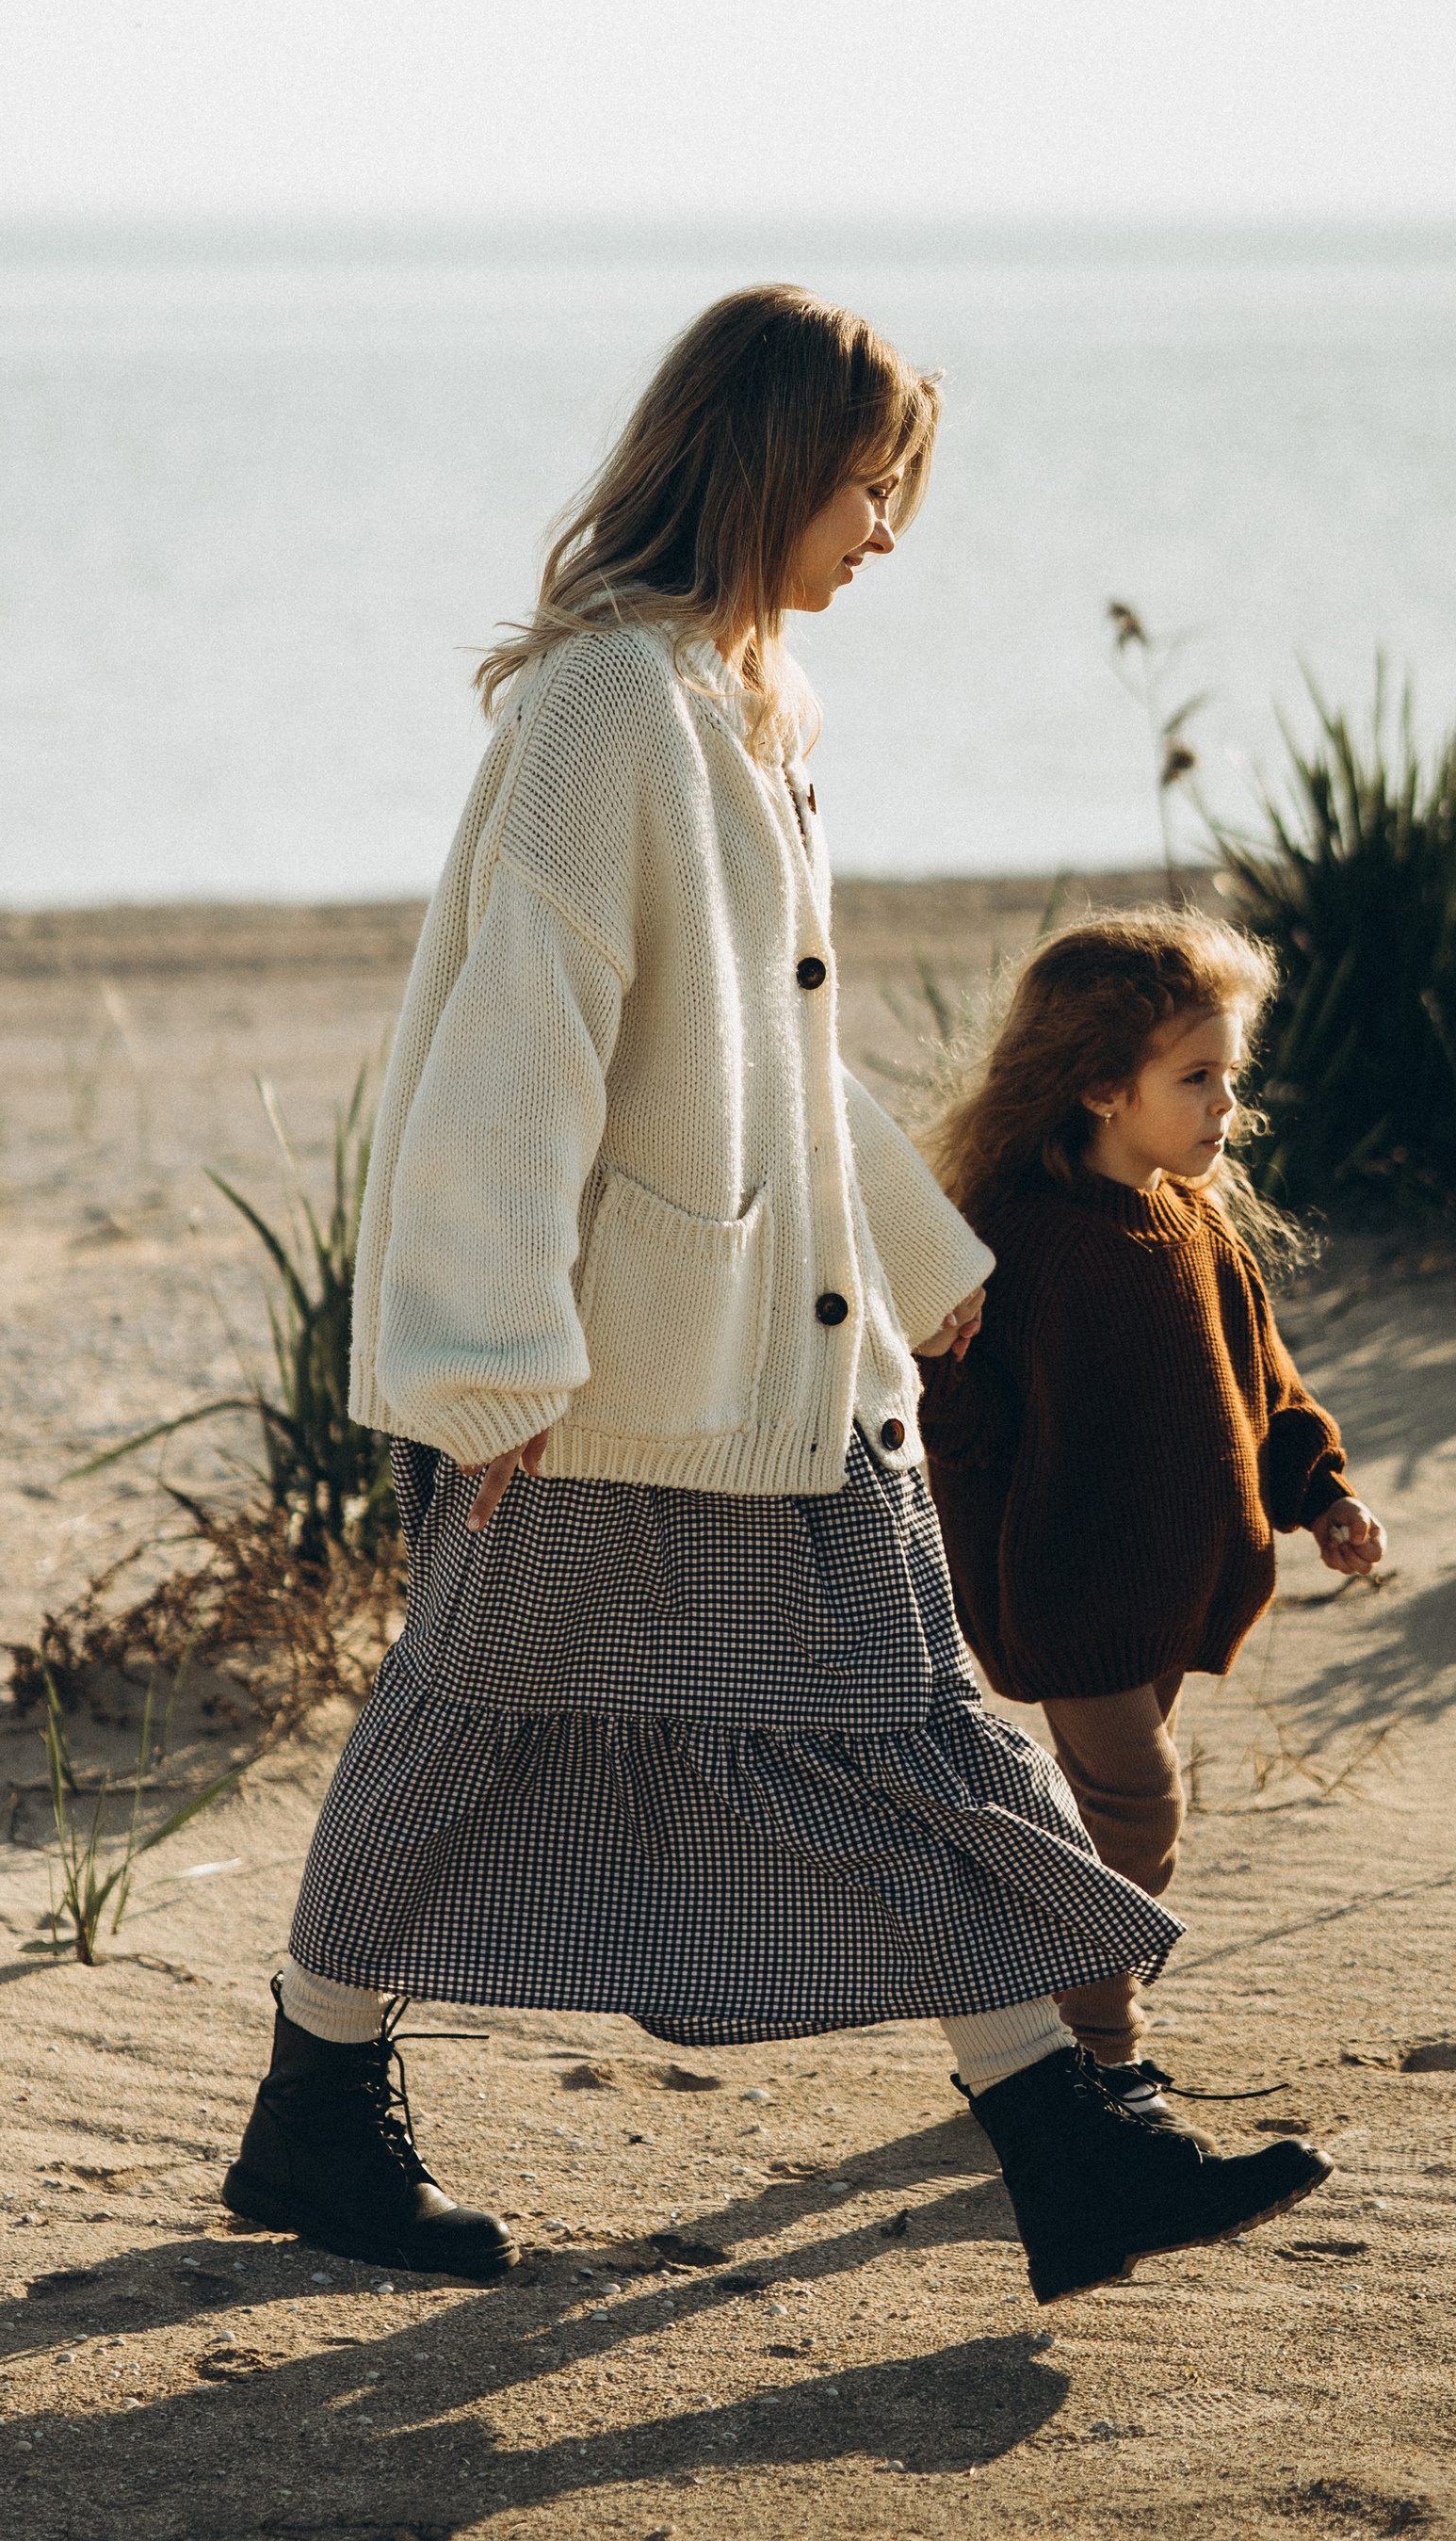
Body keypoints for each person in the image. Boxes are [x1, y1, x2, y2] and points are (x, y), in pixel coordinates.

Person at [223, 286, 1332, 2306]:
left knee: (898, 1725)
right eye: (863, 484)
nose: (884, 532)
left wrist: (915, 1256)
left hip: (767, 1361)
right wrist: (487, 1360)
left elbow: (759, 1046)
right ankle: (317, 2110)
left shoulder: (739, 708)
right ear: (761, 468)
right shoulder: (602, 712)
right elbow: (517, 1039)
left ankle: (1070, 2146)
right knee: (464, 1729)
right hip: (614, 1381)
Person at [918, 912, 1387, 2100]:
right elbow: (955, 1428)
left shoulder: (1198, 1227)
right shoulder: (1015, 1245)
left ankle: (1037, 2006)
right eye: (1196, 1078)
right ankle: (1095, 2052)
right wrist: (938, 1357)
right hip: (1068, 1587)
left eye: (1230, 1074)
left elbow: (1265, 1386)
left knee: (1108, 1821)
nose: (1227, 1104)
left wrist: (1320, 1494)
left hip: (1174, 1583)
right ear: (1097, 1088)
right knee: (1138, 1817)